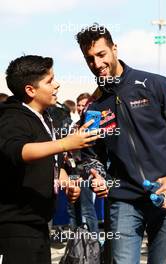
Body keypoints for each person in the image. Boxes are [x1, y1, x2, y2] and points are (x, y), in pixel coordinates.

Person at [76, 23, 166, 264]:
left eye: (101, 54)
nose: (97, 64)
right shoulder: (93, 107)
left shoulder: (155, 84)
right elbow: (89, 155)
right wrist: (96, 175)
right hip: (123, 201)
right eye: (90, 59)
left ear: (114, 49)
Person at [0, 55, 100, 264]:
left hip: (40, 223)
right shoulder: (11, 117)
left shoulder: (46, 117)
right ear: (30, 90)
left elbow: (51, 162)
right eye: (49, 81)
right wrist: (66, 143)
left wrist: (66, 183)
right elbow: (19, 151)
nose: (57, 84)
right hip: (15, 228)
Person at [67, 93, 99, 234]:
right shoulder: (74, 124)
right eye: (79, 105)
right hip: (72, 171)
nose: (81, 108)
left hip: (86, 172)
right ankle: (76, 245)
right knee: (72, 209)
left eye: (84, 105)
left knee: (86, 208)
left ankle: (93, 243)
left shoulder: (93, 126)